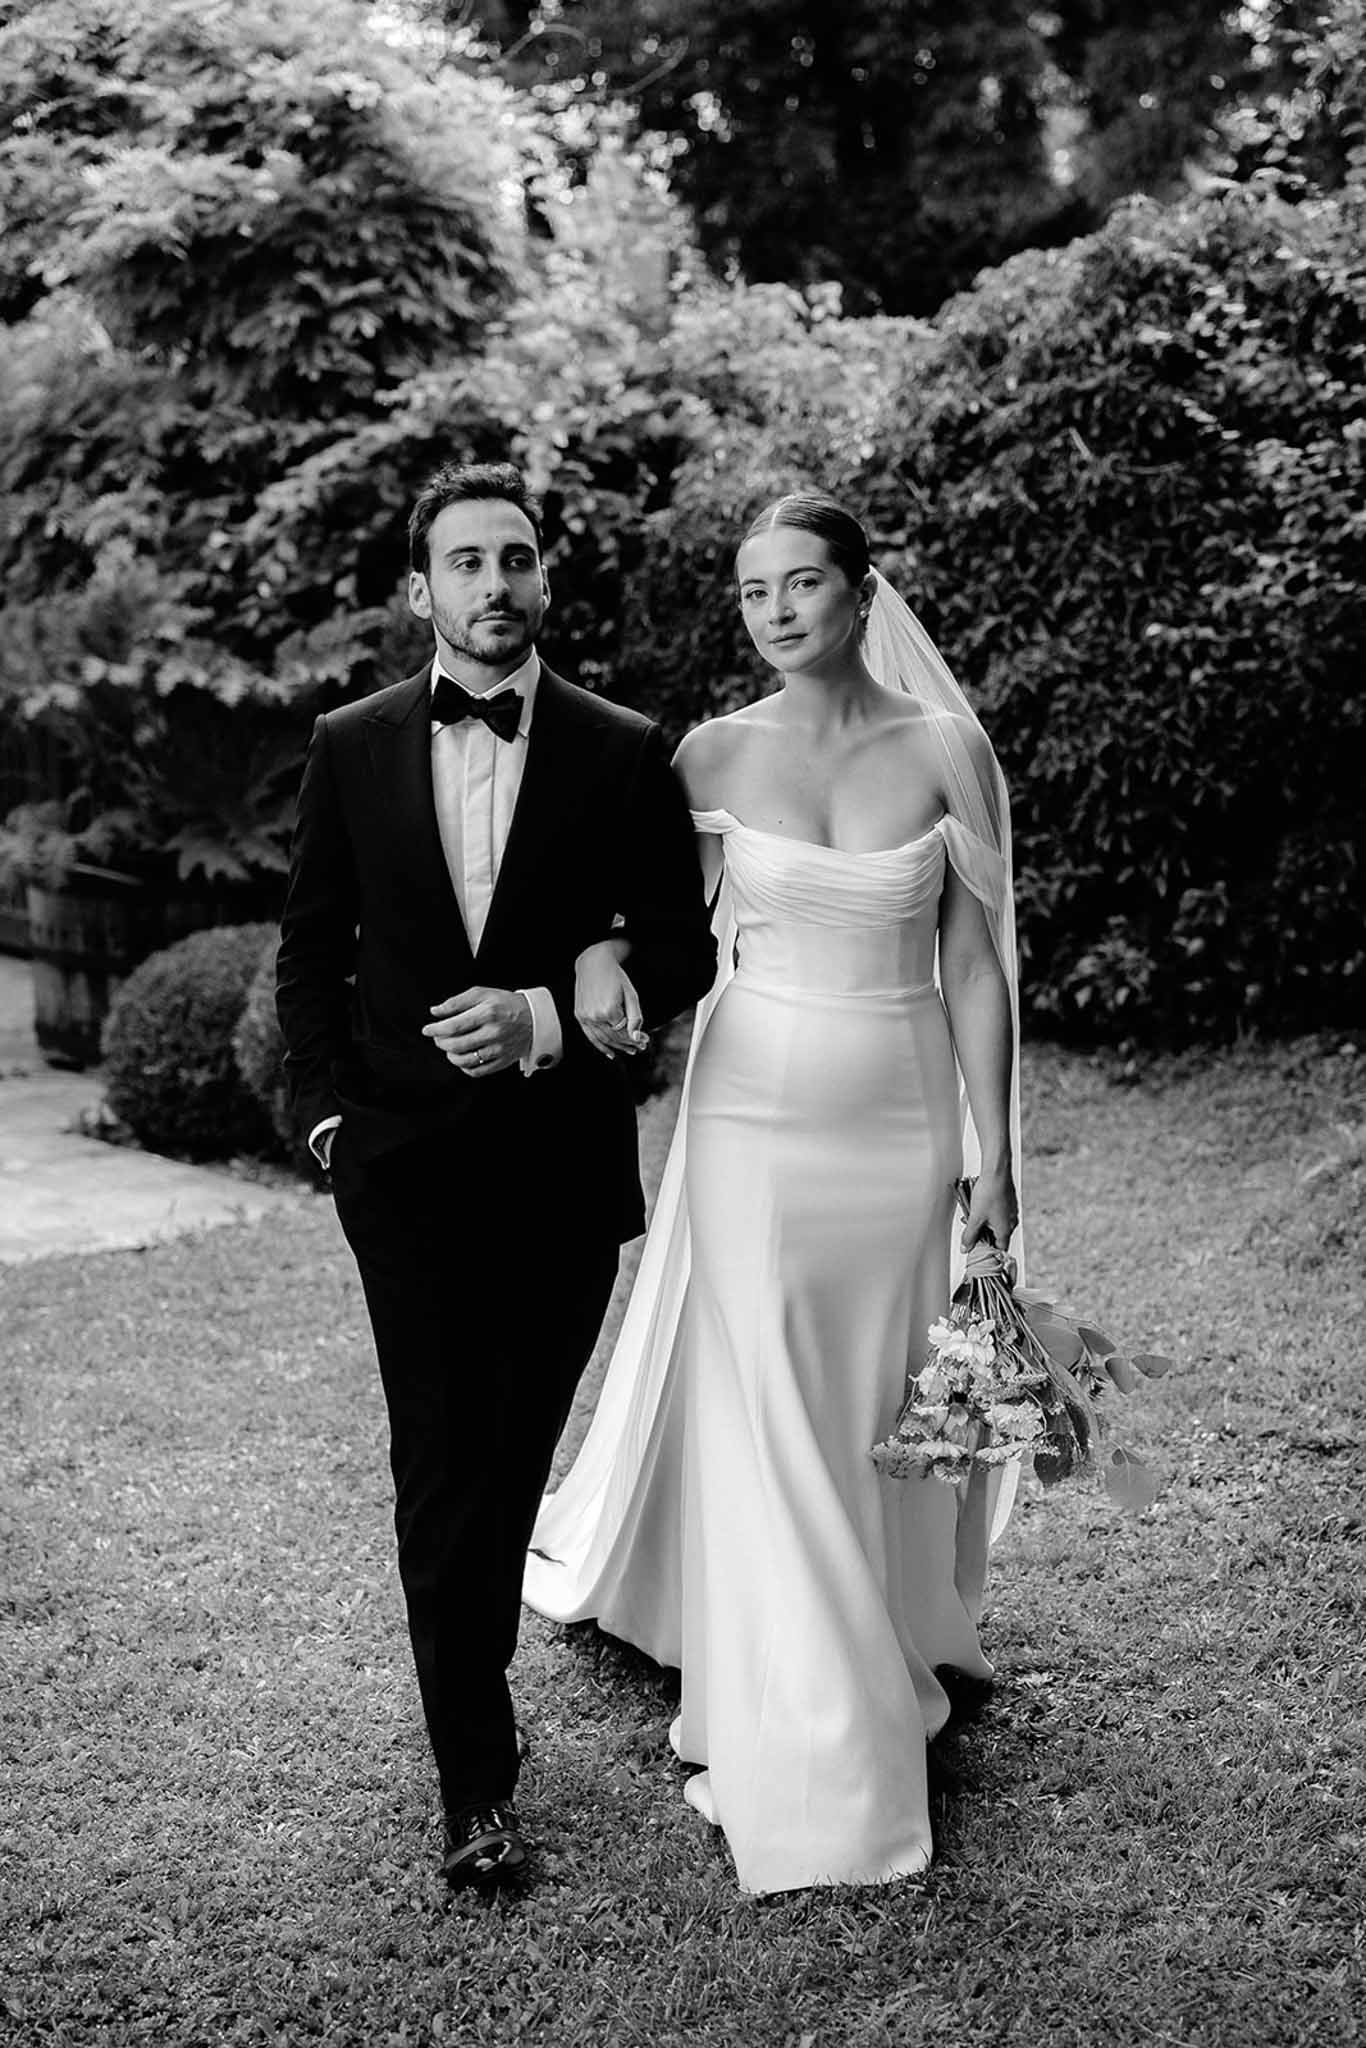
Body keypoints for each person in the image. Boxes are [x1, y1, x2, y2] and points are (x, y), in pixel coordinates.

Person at [524, 491, 1022, 1895]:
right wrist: (600, 969)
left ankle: (882, 1621)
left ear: (863, 594)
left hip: (901, 1111)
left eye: (803, 583)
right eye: (753, 594)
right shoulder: (708, 752)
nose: (778, 611)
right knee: (771, 1403)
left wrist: (994, 1164)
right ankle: (809, 1711)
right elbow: (649, 923)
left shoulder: (945, 750)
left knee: (869, 1399)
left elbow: (976, 966)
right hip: (746, 1116)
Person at [275, 461, 716, 1891]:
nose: (494, 584)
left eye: (515, 559)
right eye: (464, 563)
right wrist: (327, 1121)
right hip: (398, 1172)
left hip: (556, 1170)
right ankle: (475, 1778)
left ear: (544, 579)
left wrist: (545, 1009)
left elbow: (684, 947)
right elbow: (308, 946)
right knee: (438, 1463)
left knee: (508, 1460)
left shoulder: (621, 747)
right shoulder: (349, 743)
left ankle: (479, 1693)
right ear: (423, 591)